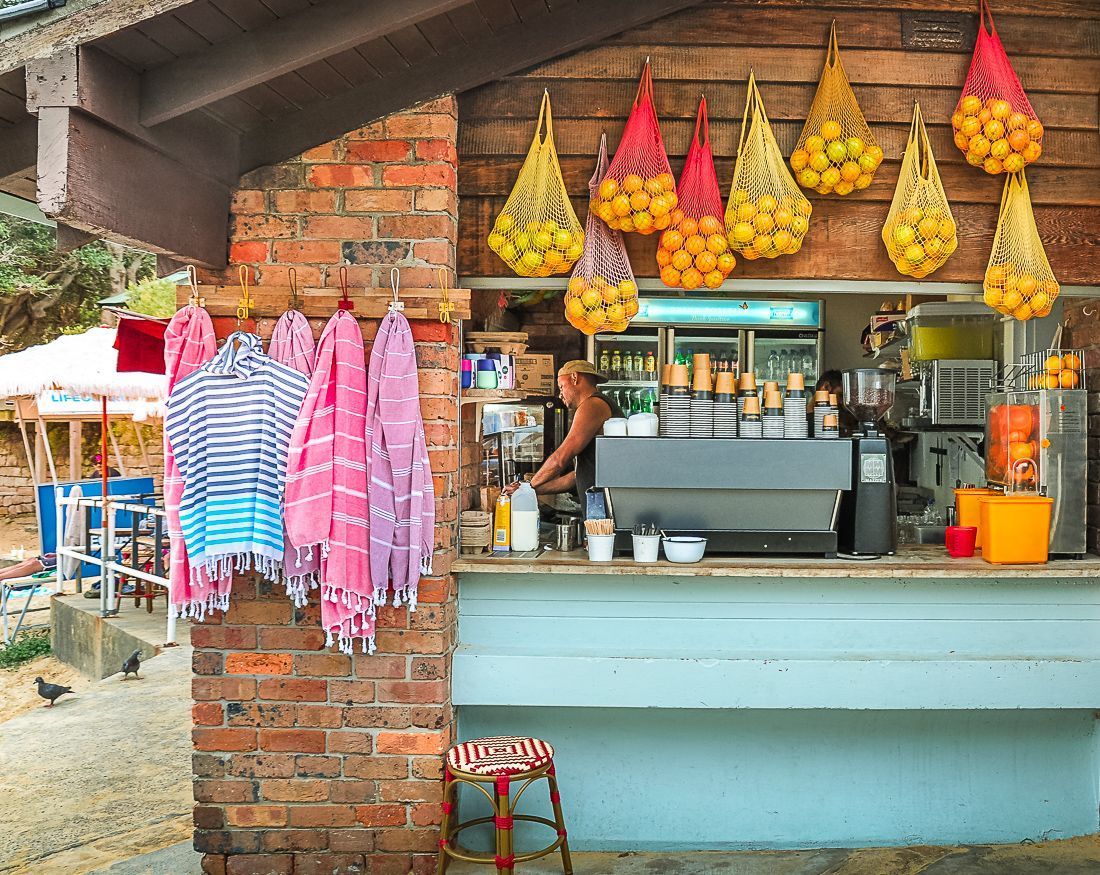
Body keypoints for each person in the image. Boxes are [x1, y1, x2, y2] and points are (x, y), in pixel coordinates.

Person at [504, 360, 622, 505]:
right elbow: (574, 477)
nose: (560, 395)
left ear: (574, 377)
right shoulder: (593, 405)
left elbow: (561, 458)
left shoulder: (593, 405)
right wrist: (531, 489)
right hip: (600, 503)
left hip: (606, 503)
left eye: (561, 387)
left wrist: (529, 485)